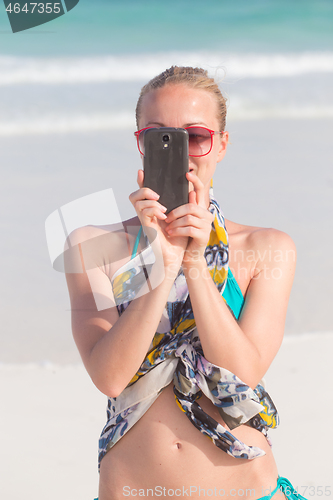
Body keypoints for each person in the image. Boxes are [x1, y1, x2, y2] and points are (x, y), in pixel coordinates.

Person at [65, 66, 305, 500]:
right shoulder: (90, 246)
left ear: (221, 145)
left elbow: (244, 370)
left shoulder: (267, 247)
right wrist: (162, 263)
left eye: (195, 135)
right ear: (140, 144)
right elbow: (110, 376)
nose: (181, 151)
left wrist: (195, 263)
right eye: (159, 135)